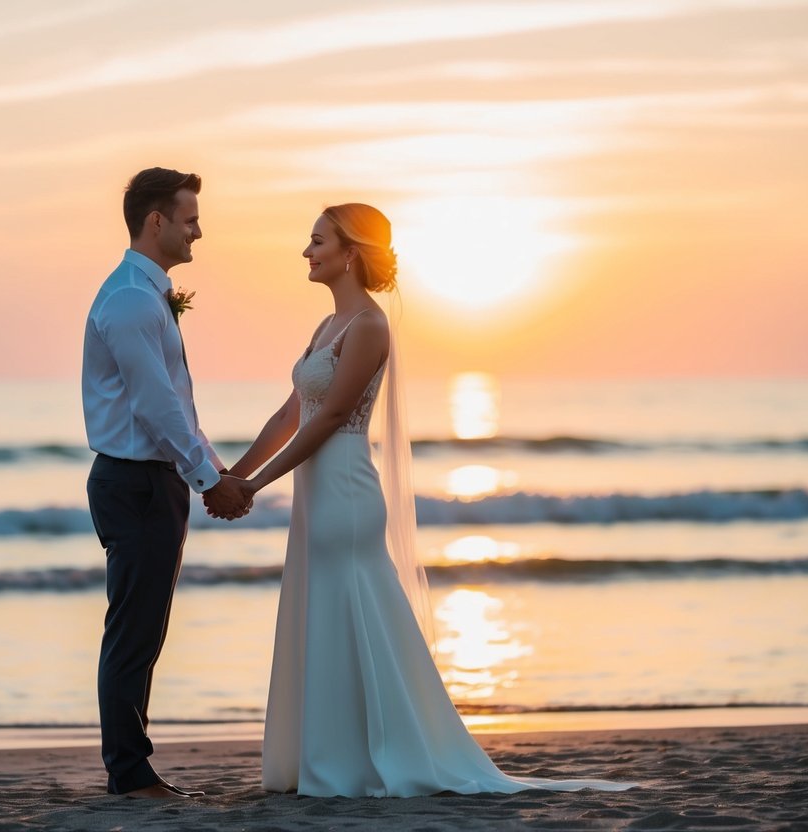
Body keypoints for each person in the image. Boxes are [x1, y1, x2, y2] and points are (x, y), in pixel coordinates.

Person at [211, 203, 634, 797]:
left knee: (347, 610)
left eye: (318, 241)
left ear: (350, 252)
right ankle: (325, 754)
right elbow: (290, 414)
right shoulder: (326, 326)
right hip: (314, 491)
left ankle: (354, 760)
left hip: (344, 490)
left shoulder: (368, 326)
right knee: (319, 610)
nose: (306, 252)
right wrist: (231, 475)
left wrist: (255, 487)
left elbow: (331, 417)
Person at [82, 167, 254, 800]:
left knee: (144, 630)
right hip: (136, 484)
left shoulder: (146, 294)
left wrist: (213, 468)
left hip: (150, 482)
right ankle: (129, 775)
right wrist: (209, 480)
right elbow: (155, 407)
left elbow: (176, 406)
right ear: (156, 221)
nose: (198, 232)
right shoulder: (131, 299)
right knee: (133, 633)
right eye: (190, 219)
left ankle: (133, 770)